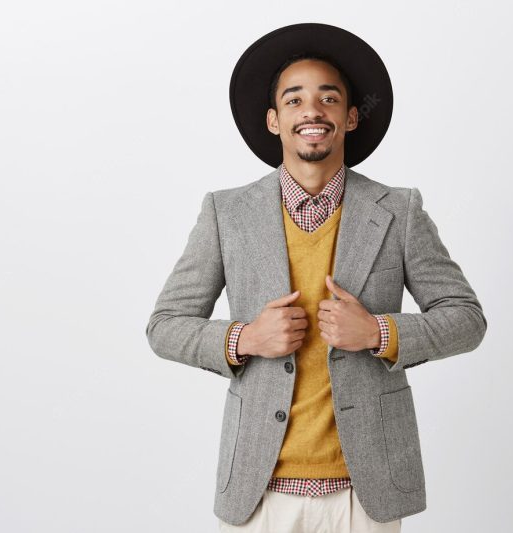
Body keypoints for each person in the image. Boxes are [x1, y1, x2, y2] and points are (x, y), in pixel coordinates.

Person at [146, 22, 487, 532]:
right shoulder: (226, 213)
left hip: (364, 493)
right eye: (294, 99)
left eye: (329, 98)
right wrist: (245, 339)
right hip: (258, 493)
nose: (312, 110)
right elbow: (165, 325)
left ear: (350, 117)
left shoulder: (399, 210)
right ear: (273, 120)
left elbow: (466, 319)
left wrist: (380, 332)